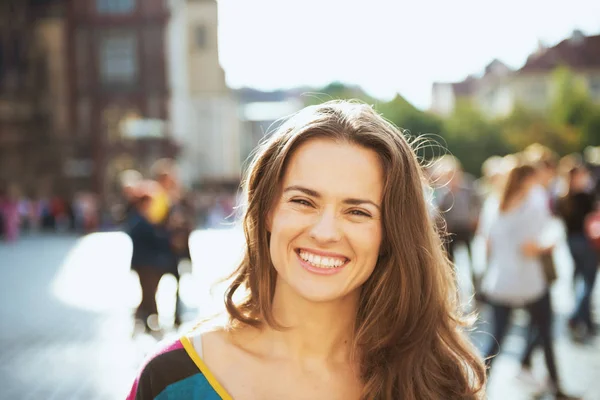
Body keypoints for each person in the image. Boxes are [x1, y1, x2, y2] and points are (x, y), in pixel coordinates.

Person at [127, 101, 485, 399]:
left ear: (390, 233)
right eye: (303, 201)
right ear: (267, 211)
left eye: (357, 211)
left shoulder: (438, 383)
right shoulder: (172, 381)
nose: (325, 232)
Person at [481, 164, 575, 399]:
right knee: (545, 333)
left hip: (500, 280)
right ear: (528, 179)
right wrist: (550, 245)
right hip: (528, 281)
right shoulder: (533, 201)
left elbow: (487, 244)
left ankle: (477, 388)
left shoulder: (494, 202)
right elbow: (531, 247)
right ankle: (556, 385)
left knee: (495, 340)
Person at [556, 164, 598, 340]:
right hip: (586, 241)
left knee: (580, 277)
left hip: (571, 242)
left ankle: (586, 320)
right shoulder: (584, 196)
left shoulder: (563, 197)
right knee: (588, 282)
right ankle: (576, 316)